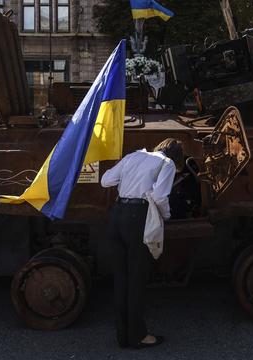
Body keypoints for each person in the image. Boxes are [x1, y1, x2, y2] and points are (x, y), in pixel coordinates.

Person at [100, 138, 184, 349]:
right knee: (136, 279)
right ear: (176, 156)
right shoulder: (167, 164)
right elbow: (160, 196)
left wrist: (129, 182)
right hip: (138, 218)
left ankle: (123, 336)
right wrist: (166, 216)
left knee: (121, 279)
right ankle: (138, 336)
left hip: (116, 215)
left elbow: (105, 180)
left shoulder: (133, 156)